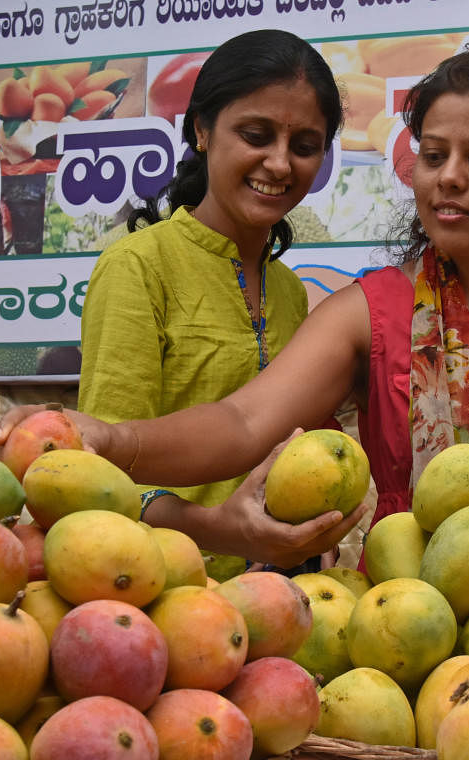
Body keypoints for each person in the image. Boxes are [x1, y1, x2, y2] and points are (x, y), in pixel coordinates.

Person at [0, 46, 469, 574]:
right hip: (429, 643)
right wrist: (109, 438)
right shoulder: (368, 312)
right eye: (434, 155)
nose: (448, 177)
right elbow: (243, 421)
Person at [71, 29, 364, 577]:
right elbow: (99, 475)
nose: (280, 164)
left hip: (285, 594)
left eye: (304, 146)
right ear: (202, 130)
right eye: (256, 135)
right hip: (169, 590)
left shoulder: (289, 290)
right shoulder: (138, 267)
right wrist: (218, 527)